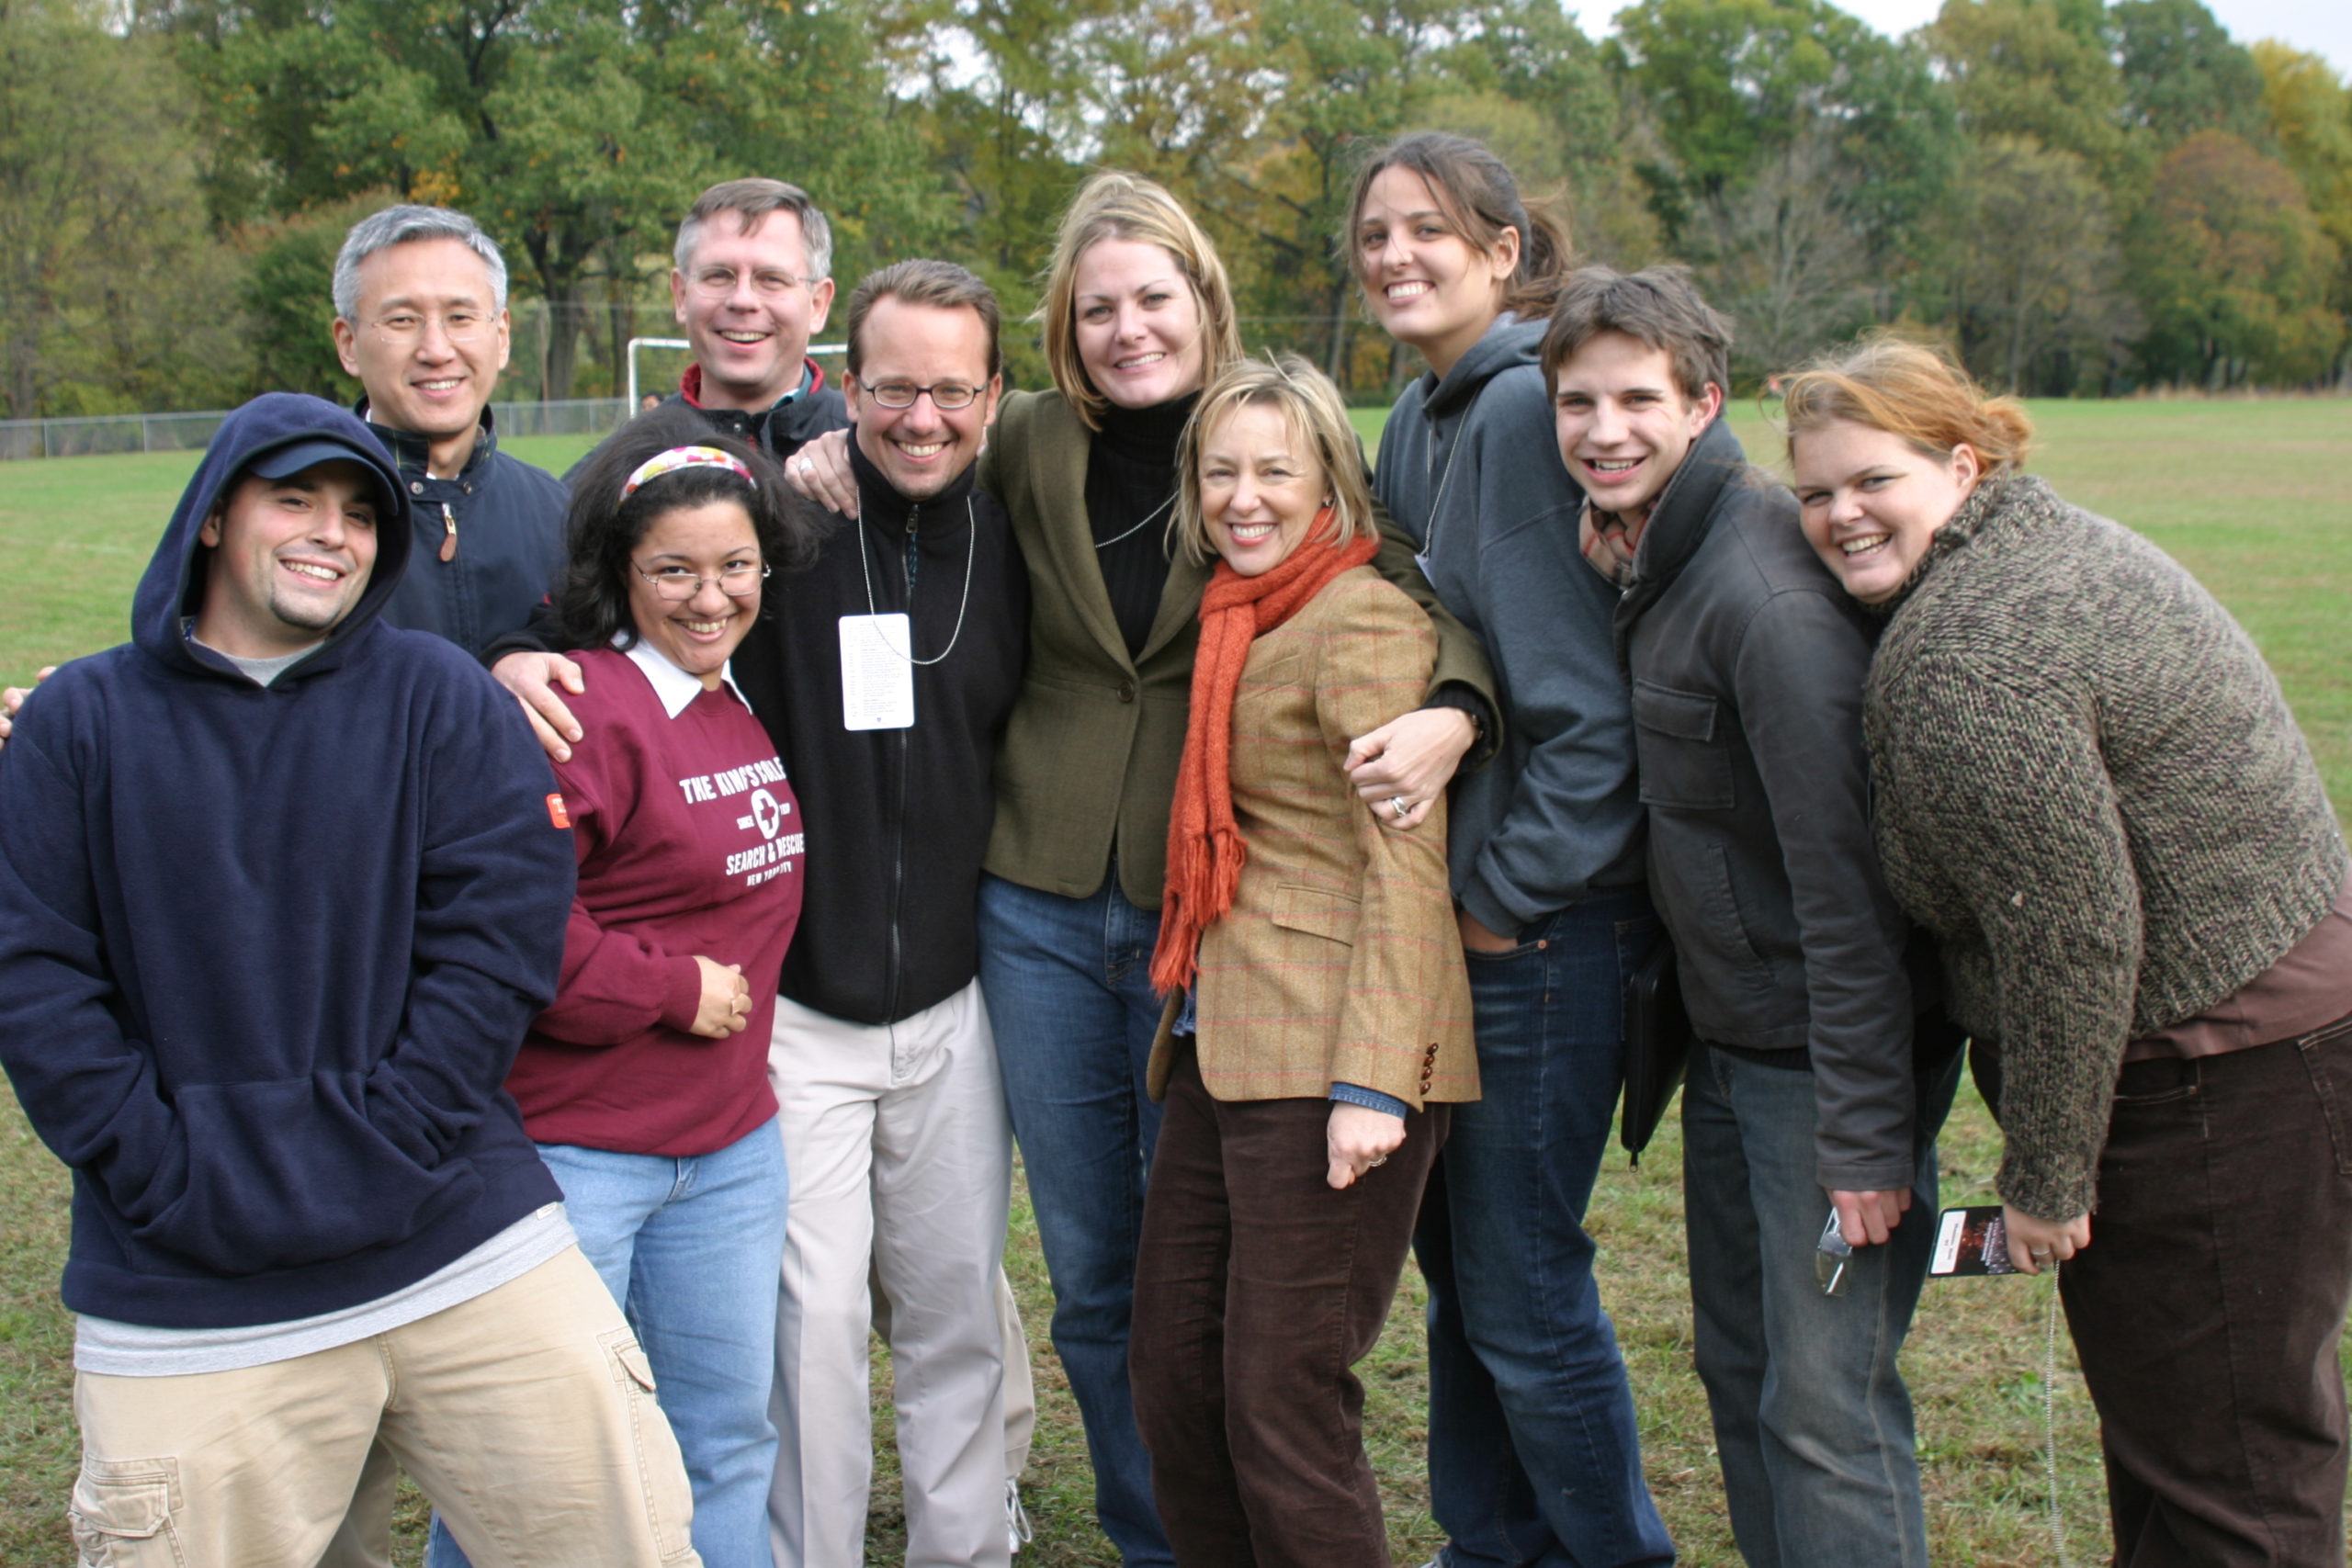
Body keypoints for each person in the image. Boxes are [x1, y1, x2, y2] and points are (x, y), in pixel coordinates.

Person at [790, 170, 1497, 1565]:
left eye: (1154, 298)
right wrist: (821, 452)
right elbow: (910, 449)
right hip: (1040, 890)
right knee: (1106, 1272)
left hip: (1212, 909)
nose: (1129, 328)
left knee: (1223, 1288)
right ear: (1065, 323)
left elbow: (1398, 586)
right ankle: (1152, 1533)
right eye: (1099, 305)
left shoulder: (1269, 430)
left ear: (1203, 300)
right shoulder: (1028, 440)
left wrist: (1460, 700)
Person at [0, 392, 700, 1568]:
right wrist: (163, 1170)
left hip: (454, 1229)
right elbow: (36, 978)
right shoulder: (80, 721)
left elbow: (495, 937)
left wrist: (404, 1127)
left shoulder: (435, 695)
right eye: (294, 500)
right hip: (188, 1282)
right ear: (216, 517)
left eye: (359, 514)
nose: (333, 531)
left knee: (624, 1537)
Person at [1784, 338, 2352, 1568]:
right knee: (2192, 1442)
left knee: (2231, 1482)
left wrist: (2049, 1176)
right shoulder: (2035, 549)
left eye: (1873, 479)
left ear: (1961, 462)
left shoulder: (1974, 651)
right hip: (2277, 1027)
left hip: (2220, 1067)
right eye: (1814, 491)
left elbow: (2074, 933)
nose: (1840, 514)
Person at [501, 259, 1032, 1568]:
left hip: (955, 998)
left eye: (952, 389)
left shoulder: (1019, 535)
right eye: (893, 385)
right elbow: (644, 578)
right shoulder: (784, 536)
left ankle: (966, 1542)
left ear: (993, 395)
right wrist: (510, 657)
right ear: (844, 386)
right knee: (804, 1330)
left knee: (956, 1303)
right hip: (794, 1009)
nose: (921, 416)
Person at [1554, 269, 1957, 1567]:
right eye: (1577, 401)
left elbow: (1851, 898)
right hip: (1734, 1050)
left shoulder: (1768, 600)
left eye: (1635, 399)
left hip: (1821, 1075)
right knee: (1742, 1370)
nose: (1603, 428)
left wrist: (1865, 1133)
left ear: (1704, 402)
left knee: (1828, 1410)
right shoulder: (1660, 548)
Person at [1343, 130, 1669, 1568]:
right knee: (1462, 1275)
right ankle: (1497, 1544)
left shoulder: (1523, 416)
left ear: (1503, 252)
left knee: (1526, 1287)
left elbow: (1592, 725)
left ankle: (1616, 1552)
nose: (1398, 255)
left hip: (1542, 932)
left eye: (1432, 231)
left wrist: (1494, 905)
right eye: (1375, 236)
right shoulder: (1422, 414)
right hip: (1464, 921)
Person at [424, 415, 816, 1568]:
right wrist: (667, 987)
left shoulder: (736, 699)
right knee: (532, 1466)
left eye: (734, 566)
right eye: (675, 572)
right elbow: (510, 927)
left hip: (731, 1152)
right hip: (580, 1156)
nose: (710, 597)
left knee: (722, 1443)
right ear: (620, 574)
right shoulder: (579, 708)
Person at [1126, 355, 1479, 1567]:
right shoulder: (1236, 609)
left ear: (1332, 477)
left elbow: (1406, 862)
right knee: (1173, 1370)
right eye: (1220, 470)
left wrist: (1376, 1079)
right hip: (1220, 1043)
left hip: (1333, 1059)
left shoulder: (1364, 618)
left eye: (1276, 468)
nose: (1244, 495)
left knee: (1282, 1396)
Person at [332, 203, 570, 660]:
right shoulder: (306, 529)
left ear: (501, 337)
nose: (436, 350)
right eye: (403, 320)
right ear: (348, 345)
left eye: (460, 318)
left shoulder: (560, 514)